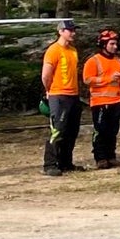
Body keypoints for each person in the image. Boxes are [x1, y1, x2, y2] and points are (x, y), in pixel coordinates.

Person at [40, 18, 82, 176]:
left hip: (73, 95)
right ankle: (50, 163)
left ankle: (66, 162)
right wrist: (49, 90)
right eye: (70, 30)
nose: (73, 33)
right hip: (59, 94)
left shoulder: (72, 50)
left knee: (72, 130)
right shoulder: (53, 50)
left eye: (74, 30)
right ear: (60, 32)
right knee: (58, 130)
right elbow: (46, 75)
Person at [82, 27, 120, 168]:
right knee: (100, 130)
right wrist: (107, 79)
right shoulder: (93, 61)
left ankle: (111, 156)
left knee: (113, 131)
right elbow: (87, 79)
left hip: (116, 102)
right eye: (112, 44)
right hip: (99, 102)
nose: (115, 46)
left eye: (115, 44)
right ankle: (100, 158)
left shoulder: (119, 61)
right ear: (104, 44)